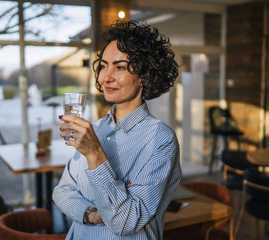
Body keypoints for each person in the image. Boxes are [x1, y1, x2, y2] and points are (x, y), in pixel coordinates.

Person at [53, 20, 181, 239]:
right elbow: (62, 192)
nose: (106, 77)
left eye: (120, 67)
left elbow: (125, 222)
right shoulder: (95, 129)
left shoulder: (160, 139)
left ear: (145, 76)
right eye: (103, 65)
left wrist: (95, 154)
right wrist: (92, 214)